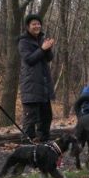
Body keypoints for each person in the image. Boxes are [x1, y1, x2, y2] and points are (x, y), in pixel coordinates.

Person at [18, 14, 55, 142]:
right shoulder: (23, 41)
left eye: (38, 24)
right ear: (28, 26)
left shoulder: (41, 39)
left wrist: (48, 48)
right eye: (34, 24)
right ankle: (26, 147)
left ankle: (43, 144)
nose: (37, 26)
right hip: (31, 86)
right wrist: (42, 49)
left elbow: (49, 58)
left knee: (46, 117)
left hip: (44, 85)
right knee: (30, 119)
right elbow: (29, 60)